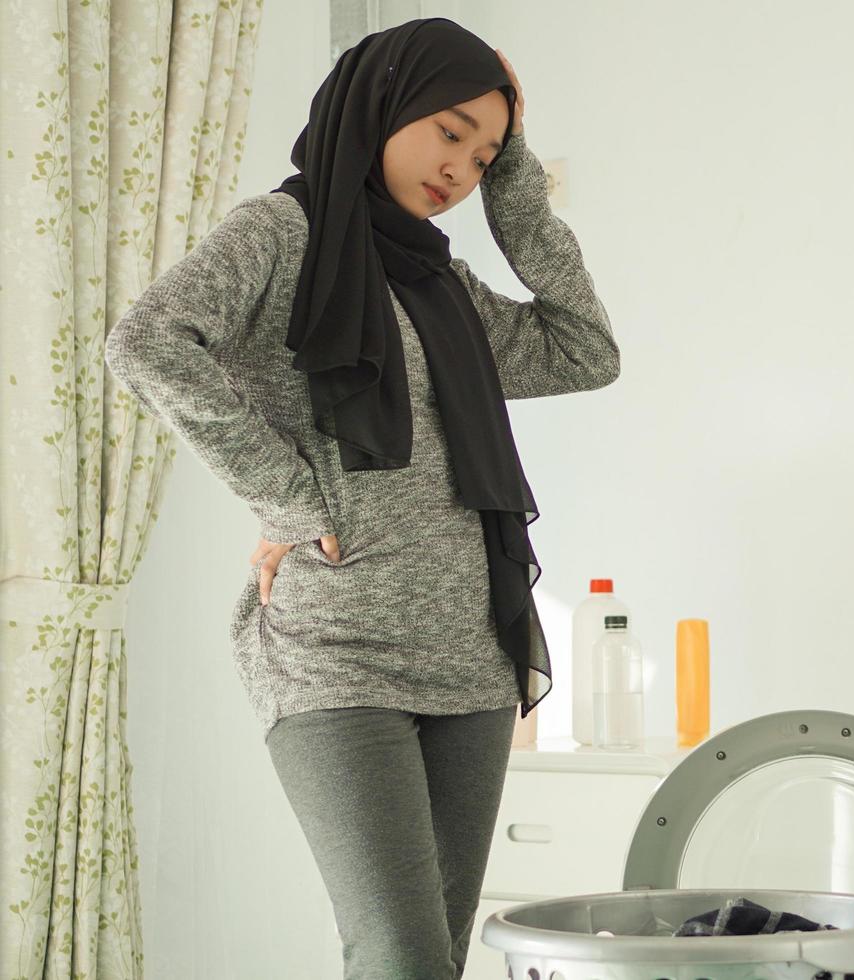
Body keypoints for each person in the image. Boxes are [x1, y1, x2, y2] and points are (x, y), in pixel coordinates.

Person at [102, 16, 618, 978]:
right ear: (383, 103)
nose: (461, 166)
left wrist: (519, 185)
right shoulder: (281, 235)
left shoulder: (440, 280)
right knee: (398, 949)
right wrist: (289, 498)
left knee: (435, 958)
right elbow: (147, 341)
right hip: (334, 651)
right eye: (450, 130)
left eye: (485, 152)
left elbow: (584, 351)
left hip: (471, 652)